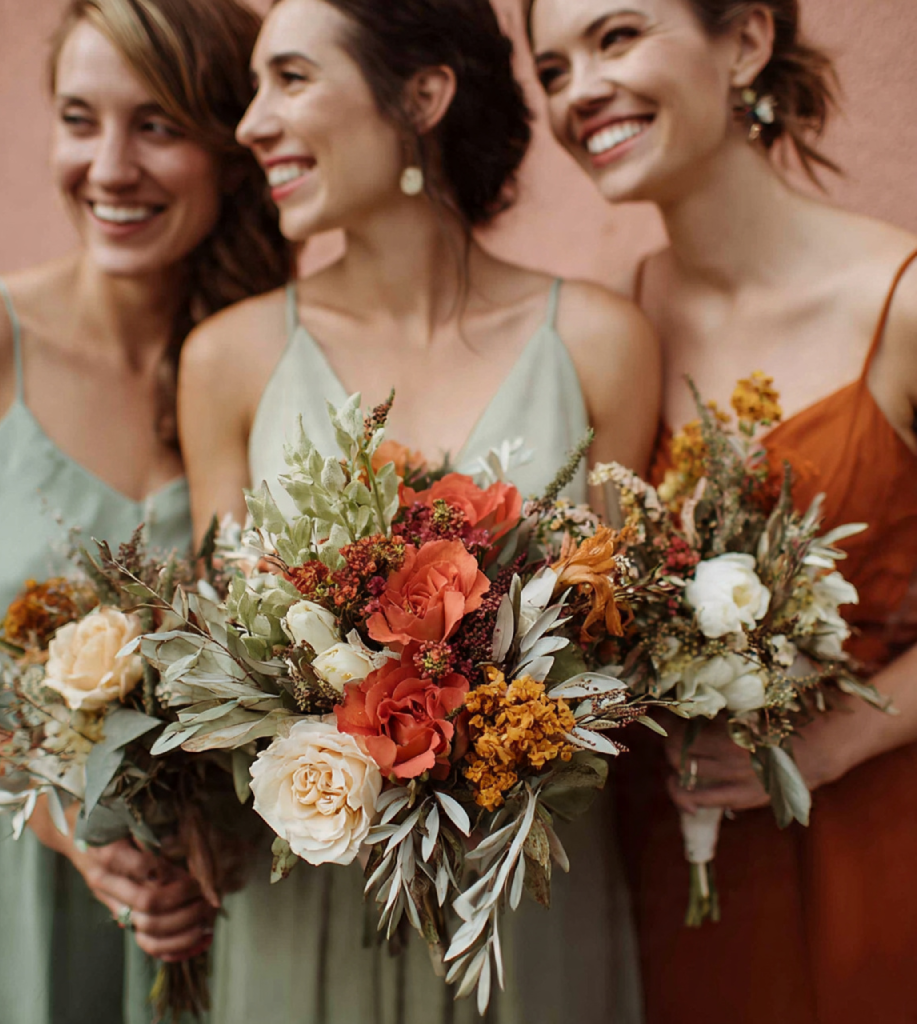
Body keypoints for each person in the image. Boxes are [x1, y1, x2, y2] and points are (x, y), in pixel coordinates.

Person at [178, 0, 660, 1021]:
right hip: (305, 892)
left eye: (293, 79)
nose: (253, 122)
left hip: (523, 896)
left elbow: (623, 646)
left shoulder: (603, 342)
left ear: (423, 95)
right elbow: (211, 652)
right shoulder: (229, 359)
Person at [0, 0, 289, 1020]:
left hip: (209, 901)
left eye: (156, 125)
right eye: (79, 118)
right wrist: (64, 819)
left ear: (233, 149)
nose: (109, 167)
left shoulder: (271, 373)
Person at [529, 0, 917, 1020]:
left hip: (876, 842)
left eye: (615, 37)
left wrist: (821, 746)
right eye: (552, 69)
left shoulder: (903, 301)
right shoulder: (617, 321)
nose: (579, 92)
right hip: (673, 860)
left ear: (744, 38)